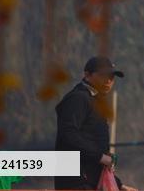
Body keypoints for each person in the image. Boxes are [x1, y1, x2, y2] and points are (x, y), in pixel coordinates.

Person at [55, 56, 137, 191]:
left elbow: (97, 150)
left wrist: (118, 184)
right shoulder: (78, 98)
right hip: (77, 182)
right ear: (87, 75)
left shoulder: (95, 101)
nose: (109, 80)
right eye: (103, 75)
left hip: (90, 181)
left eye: (112, 77)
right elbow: (68, 134)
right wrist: (100, 157)